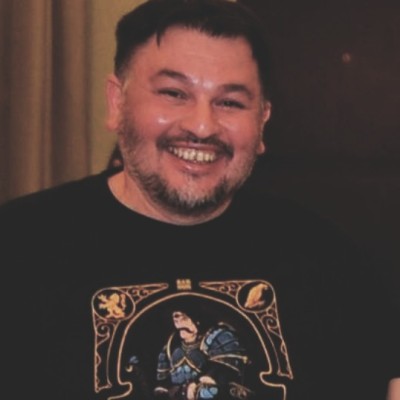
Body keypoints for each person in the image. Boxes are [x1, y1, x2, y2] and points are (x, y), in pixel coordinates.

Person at [0, 0, 398, 399]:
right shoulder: (17, 249)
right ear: (117, 102)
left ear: (262, 120)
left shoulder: (330, 260)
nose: (202, 126)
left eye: (230, 102)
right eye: (174, 93)